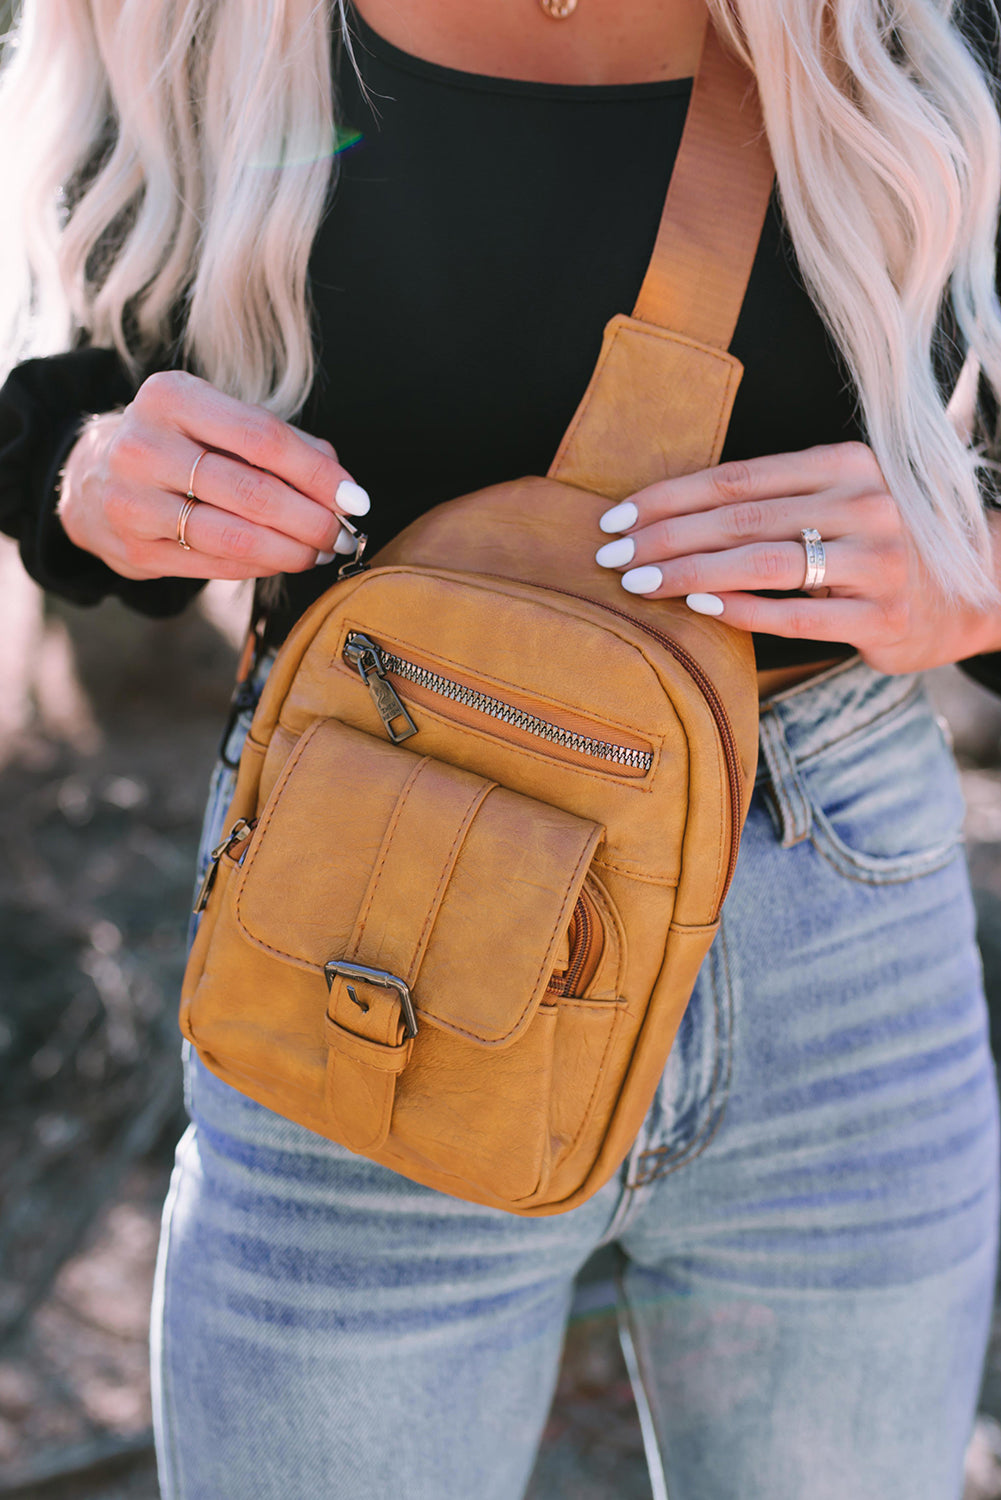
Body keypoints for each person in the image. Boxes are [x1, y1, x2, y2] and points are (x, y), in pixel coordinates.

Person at [3, 0, 1001, 1495]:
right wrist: (88, 476)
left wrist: (977, 570)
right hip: (366, 900)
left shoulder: (916, 21)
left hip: (835, 917)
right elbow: (83, 394)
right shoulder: (191, 22)